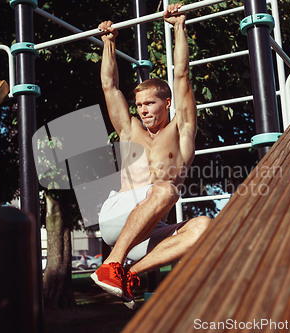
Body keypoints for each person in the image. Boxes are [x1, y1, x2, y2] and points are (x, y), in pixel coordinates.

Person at [91, 3, 211, 309]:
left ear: (167, 103)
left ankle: (127, 273)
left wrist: (179, 26)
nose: (143, 110)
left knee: (203, 228)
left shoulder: (181, 132)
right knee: (166, 189)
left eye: (150, 104)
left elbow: (182, 75)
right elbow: (109, 85)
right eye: (139, 104)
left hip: (147, 229)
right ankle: (111, 264)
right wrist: (108, 43)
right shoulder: (130, 130)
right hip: (117, 215)